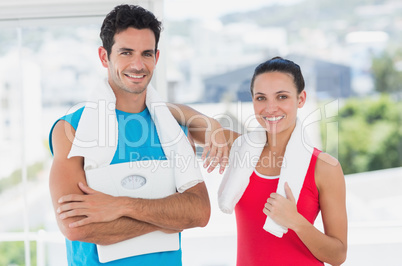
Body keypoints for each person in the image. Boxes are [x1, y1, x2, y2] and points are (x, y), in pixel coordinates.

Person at [49, 4, 220, 265]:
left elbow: (199, 212)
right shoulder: (71, 129)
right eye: (126, 53)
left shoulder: (172, 127)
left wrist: (121, 206)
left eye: (146, 54)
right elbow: (76, 226)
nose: (138, 65)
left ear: (157, 57)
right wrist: (168, 220)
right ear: (104, 57)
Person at [218, 57, 348, 265]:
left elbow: (338, 254)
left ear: (301, 99)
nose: (270, 108)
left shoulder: (325, 167)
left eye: (282, 97)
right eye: (261, 98)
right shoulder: (242, 149)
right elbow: (189, 122)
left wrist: (296, 222)